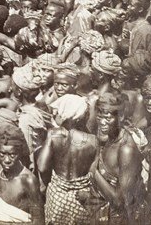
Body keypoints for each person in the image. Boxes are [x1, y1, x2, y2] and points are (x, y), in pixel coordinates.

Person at [38, 94, 97, 225]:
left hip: (57, 194)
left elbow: (42, 166)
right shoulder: (93, 141)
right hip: (81, 197)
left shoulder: (54, 134)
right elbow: (94, 174)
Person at [88, 92, 144, 224]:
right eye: (100, 116)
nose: (102, 122)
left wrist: (92, 170)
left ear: (121, 116)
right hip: (102, 211)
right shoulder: (107, 136)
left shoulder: (126, 149)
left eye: (108, 118)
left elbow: (120, 200)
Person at [0, 122, 44, 223]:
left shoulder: (27, 180)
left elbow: (39, 221)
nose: (7, 160)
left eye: (12, 155)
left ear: (19, 153)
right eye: (2, 154)